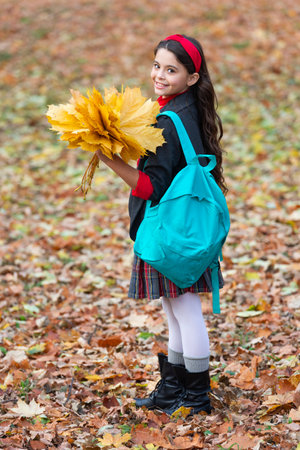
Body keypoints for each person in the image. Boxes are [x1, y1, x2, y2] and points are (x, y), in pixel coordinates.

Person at [96, 34, 227, 416]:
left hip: (170, 233)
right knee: (175, 309)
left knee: (185, 310)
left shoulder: (168, 121)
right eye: (157, 65)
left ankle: (196, 395)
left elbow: (151, 186)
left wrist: (112, 162)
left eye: (171, 69)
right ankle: (174, 388)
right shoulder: (183, 107)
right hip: (185, 228)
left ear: (191, 77)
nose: (160, 74)